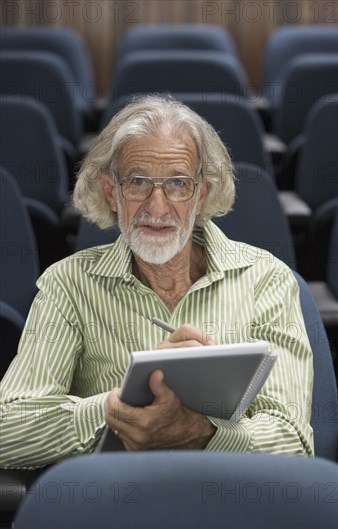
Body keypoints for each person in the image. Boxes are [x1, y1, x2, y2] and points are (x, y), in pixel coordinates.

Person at [0, 96, 314, 468]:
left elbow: (294, 440)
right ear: (111, 191)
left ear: (201, 194)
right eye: (138, 182)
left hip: (232, 505)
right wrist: (117, 407)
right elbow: (8, 431)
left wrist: (203, 435)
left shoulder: (267, 280)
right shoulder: (68, 284)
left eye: (178, 184)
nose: (158, 206)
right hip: (114, 507)